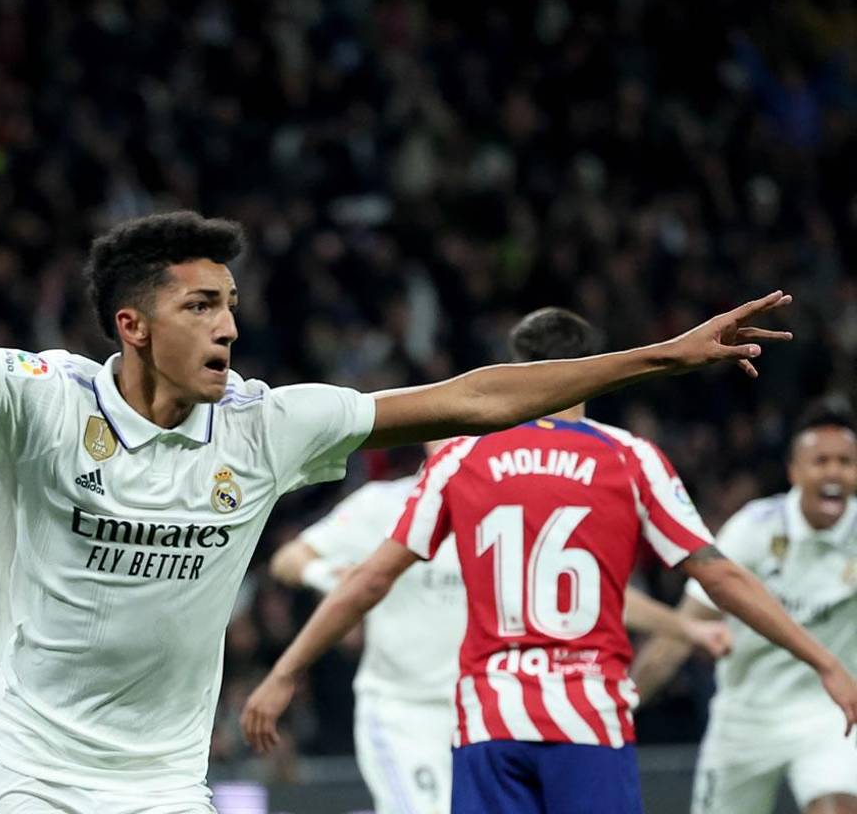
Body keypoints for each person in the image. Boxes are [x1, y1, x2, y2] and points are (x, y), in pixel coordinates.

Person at [0, 73, 800, 812]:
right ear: (131, 324)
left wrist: (658, 356)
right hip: (29, 767)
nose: (228, 325)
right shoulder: (43, 405)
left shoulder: (270, 425)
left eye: (230, 303)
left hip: (169, 775)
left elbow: (473, 396)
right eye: (198, 307)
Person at [241, 308, 857, 814]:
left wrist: (286, 671)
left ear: (518, 372)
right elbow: (717, 574)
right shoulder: (630, 457)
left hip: (491, 717)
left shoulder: (461, 459)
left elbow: (372, 579)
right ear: (587, 370)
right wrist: (825, 662)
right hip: (587, 713)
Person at [269, 422, 730, 814]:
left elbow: (590, 595)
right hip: (403, 711)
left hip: (484, 710)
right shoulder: (381, 505)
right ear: (427, 439)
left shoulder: (505, 504)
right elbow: (287, 558)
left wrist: (684, 627)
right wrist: (332, 577)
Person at [631, 400, 857, 814]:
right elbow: (684, 630)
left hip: (828, 715)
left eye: (846, 462)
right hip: (744, 719)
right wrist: (626, 705)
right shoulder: (753, 530)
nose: (833, 472)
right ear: (794, 472)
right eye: (820, 460)